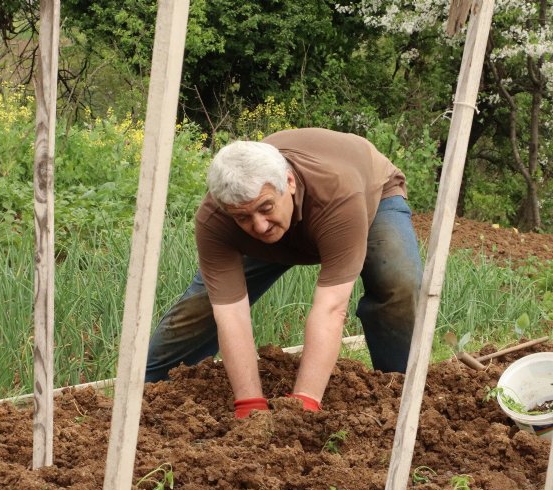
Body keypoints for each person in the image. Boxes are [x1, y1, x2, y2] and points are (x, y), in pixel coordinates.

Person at [146, 128, 423, 418]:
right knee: (201, 307)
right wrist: (249, 405)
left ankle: (399, 393)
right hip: (291, 221)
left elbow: (331, 308)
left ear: (289, 182)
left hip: (367, 199)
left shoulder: (338, 194)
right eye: (243, 217)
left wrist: (302, 406)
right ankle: (148, 392)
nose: (260, 225)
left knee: (397, 281)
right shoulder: (217, 219)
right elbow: (230, 314)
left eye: (265, 208)